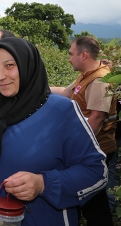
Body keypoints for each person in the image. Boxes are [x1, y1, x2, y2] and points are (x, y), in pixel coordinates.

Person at [0, 37, 108, 226]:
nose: (0, 76)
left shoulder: (61, 112)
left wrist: (44, 183)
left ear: (28, 65)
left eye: (9, 65)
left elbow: (96, 171)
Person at [51, 36, 116, 225]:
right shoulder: (87, 75)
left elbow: (97, 118)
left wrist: (79, 150)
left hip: (93, 150)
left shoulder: (100, 81)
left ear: (84, 55)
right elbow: (65, 93)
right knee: (87, 196)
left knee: (92, 199)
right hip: (84, 149)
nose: (69, 58)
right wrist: (37, 88)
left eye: (71, 54)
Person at [101, 58, 121, 211]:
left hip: (109, 136)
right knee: (110, 169)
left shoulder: (109, 89)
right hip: (113, 136)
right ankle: (110, 205)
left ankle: (109, 205)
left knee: (108, 169)